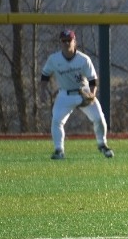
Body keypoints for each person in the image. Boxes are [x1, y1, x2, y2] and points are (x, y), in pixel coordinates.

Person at [41, 28, 113, 160]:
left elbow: (93, 80)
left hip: (83, 92)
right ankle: (59, 150)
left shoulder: (83, 59)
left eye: (69, 40)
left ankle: (102, 144)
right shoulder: (54, 59)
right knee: (56, 121)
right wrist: (42, 91)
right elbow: (45, 75)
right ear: (60, 42)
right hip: (64, 94)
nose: (67, 43)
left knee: (99, 118)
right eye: (64, 41)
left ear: (74, 41)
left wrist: (92, 94)